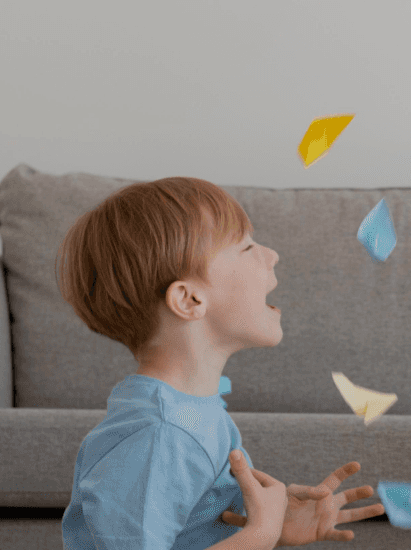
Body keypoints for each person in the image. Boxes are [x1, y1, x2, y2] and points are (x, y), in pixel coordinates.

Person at [56, 177, 384, 549]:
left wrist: (265, 526)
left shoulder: (192, 414)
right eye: (246, 247)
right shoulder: (161, 434)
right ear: (190, 300)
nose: (272, 255)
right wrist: (258, 536)